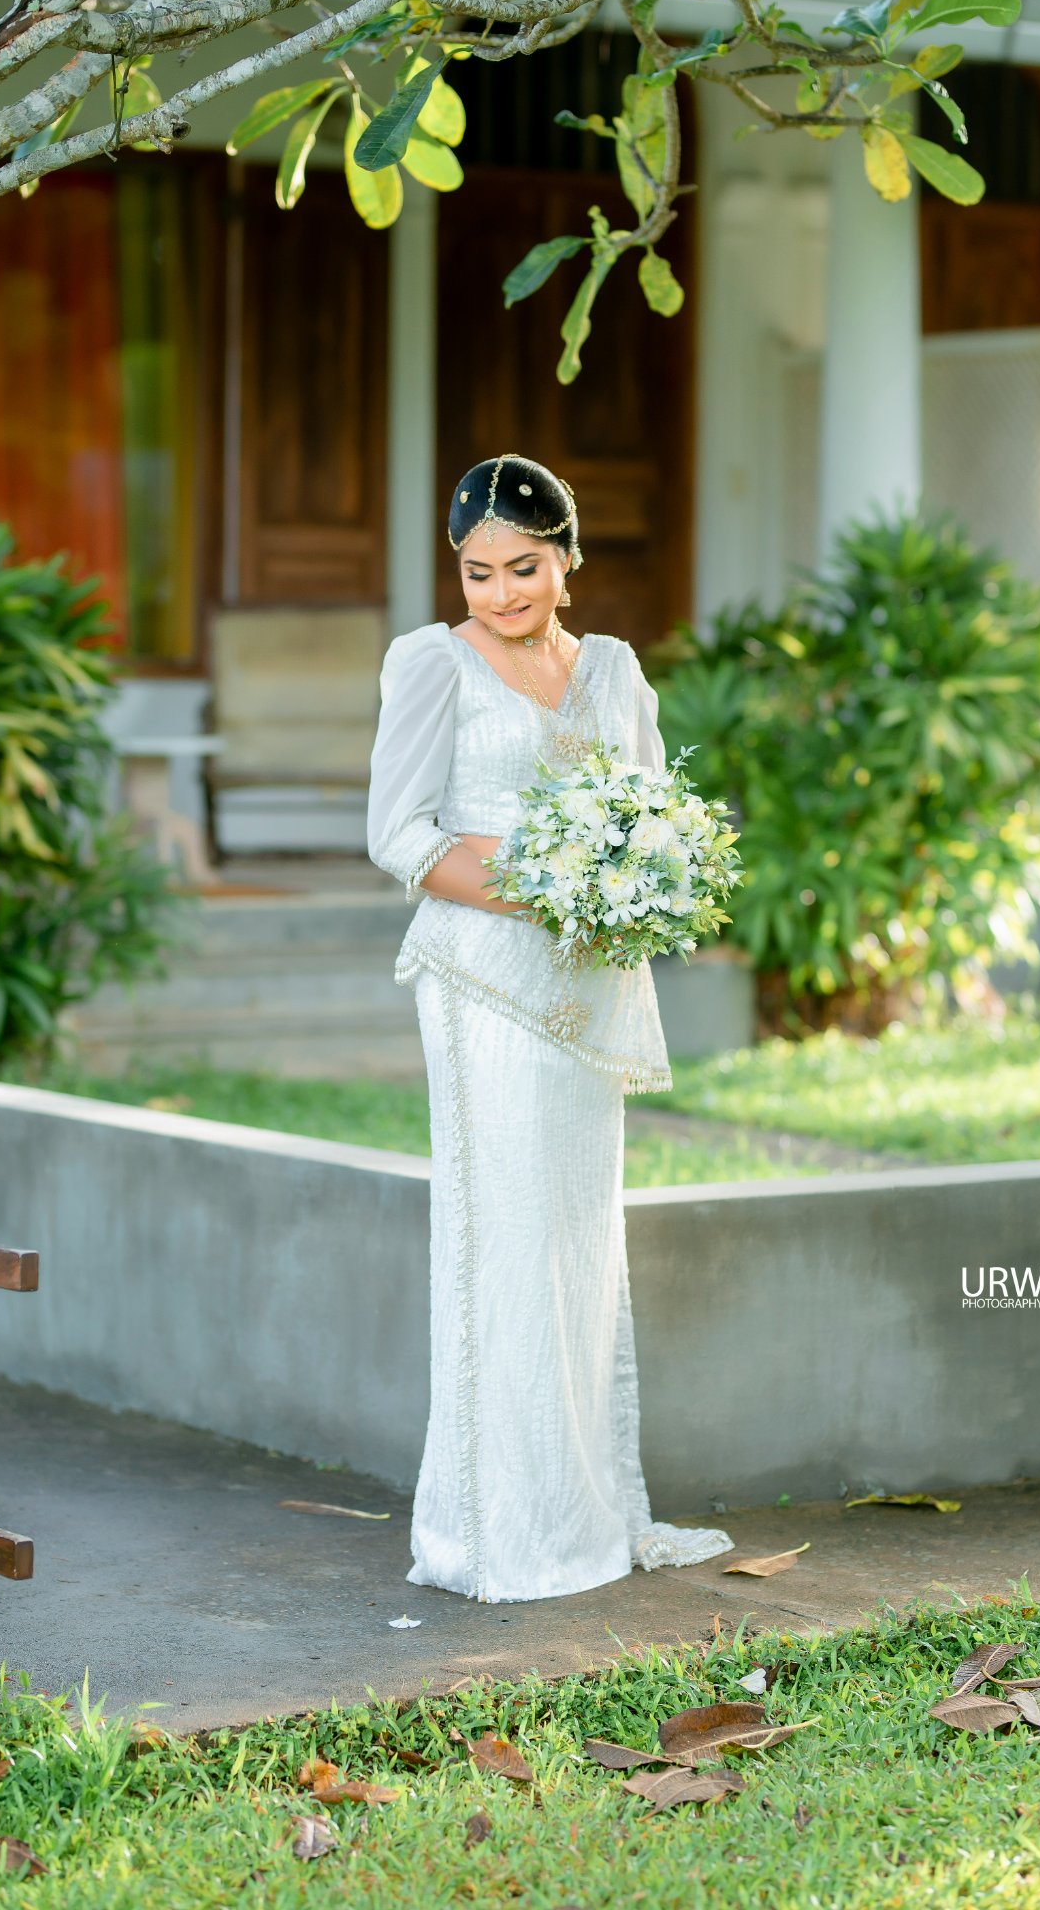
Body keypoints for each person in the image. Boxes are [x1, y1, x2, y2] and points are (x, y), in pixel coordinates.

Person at [366, 453, 732, 1603]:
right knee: (505, 1240)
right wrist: (549, 885)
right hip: (482, 985)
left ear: (566, 557)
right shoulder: (431, 662)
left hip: (588, 990)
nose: (498, 593)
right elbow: (399, 834)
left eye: (521, 568)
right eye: (476, 572)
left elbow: (649, 809)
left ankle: (583, 1516)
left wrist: (637, 878)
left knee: (576, 1244)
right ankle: (491, 1534)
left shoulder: (612, 669)